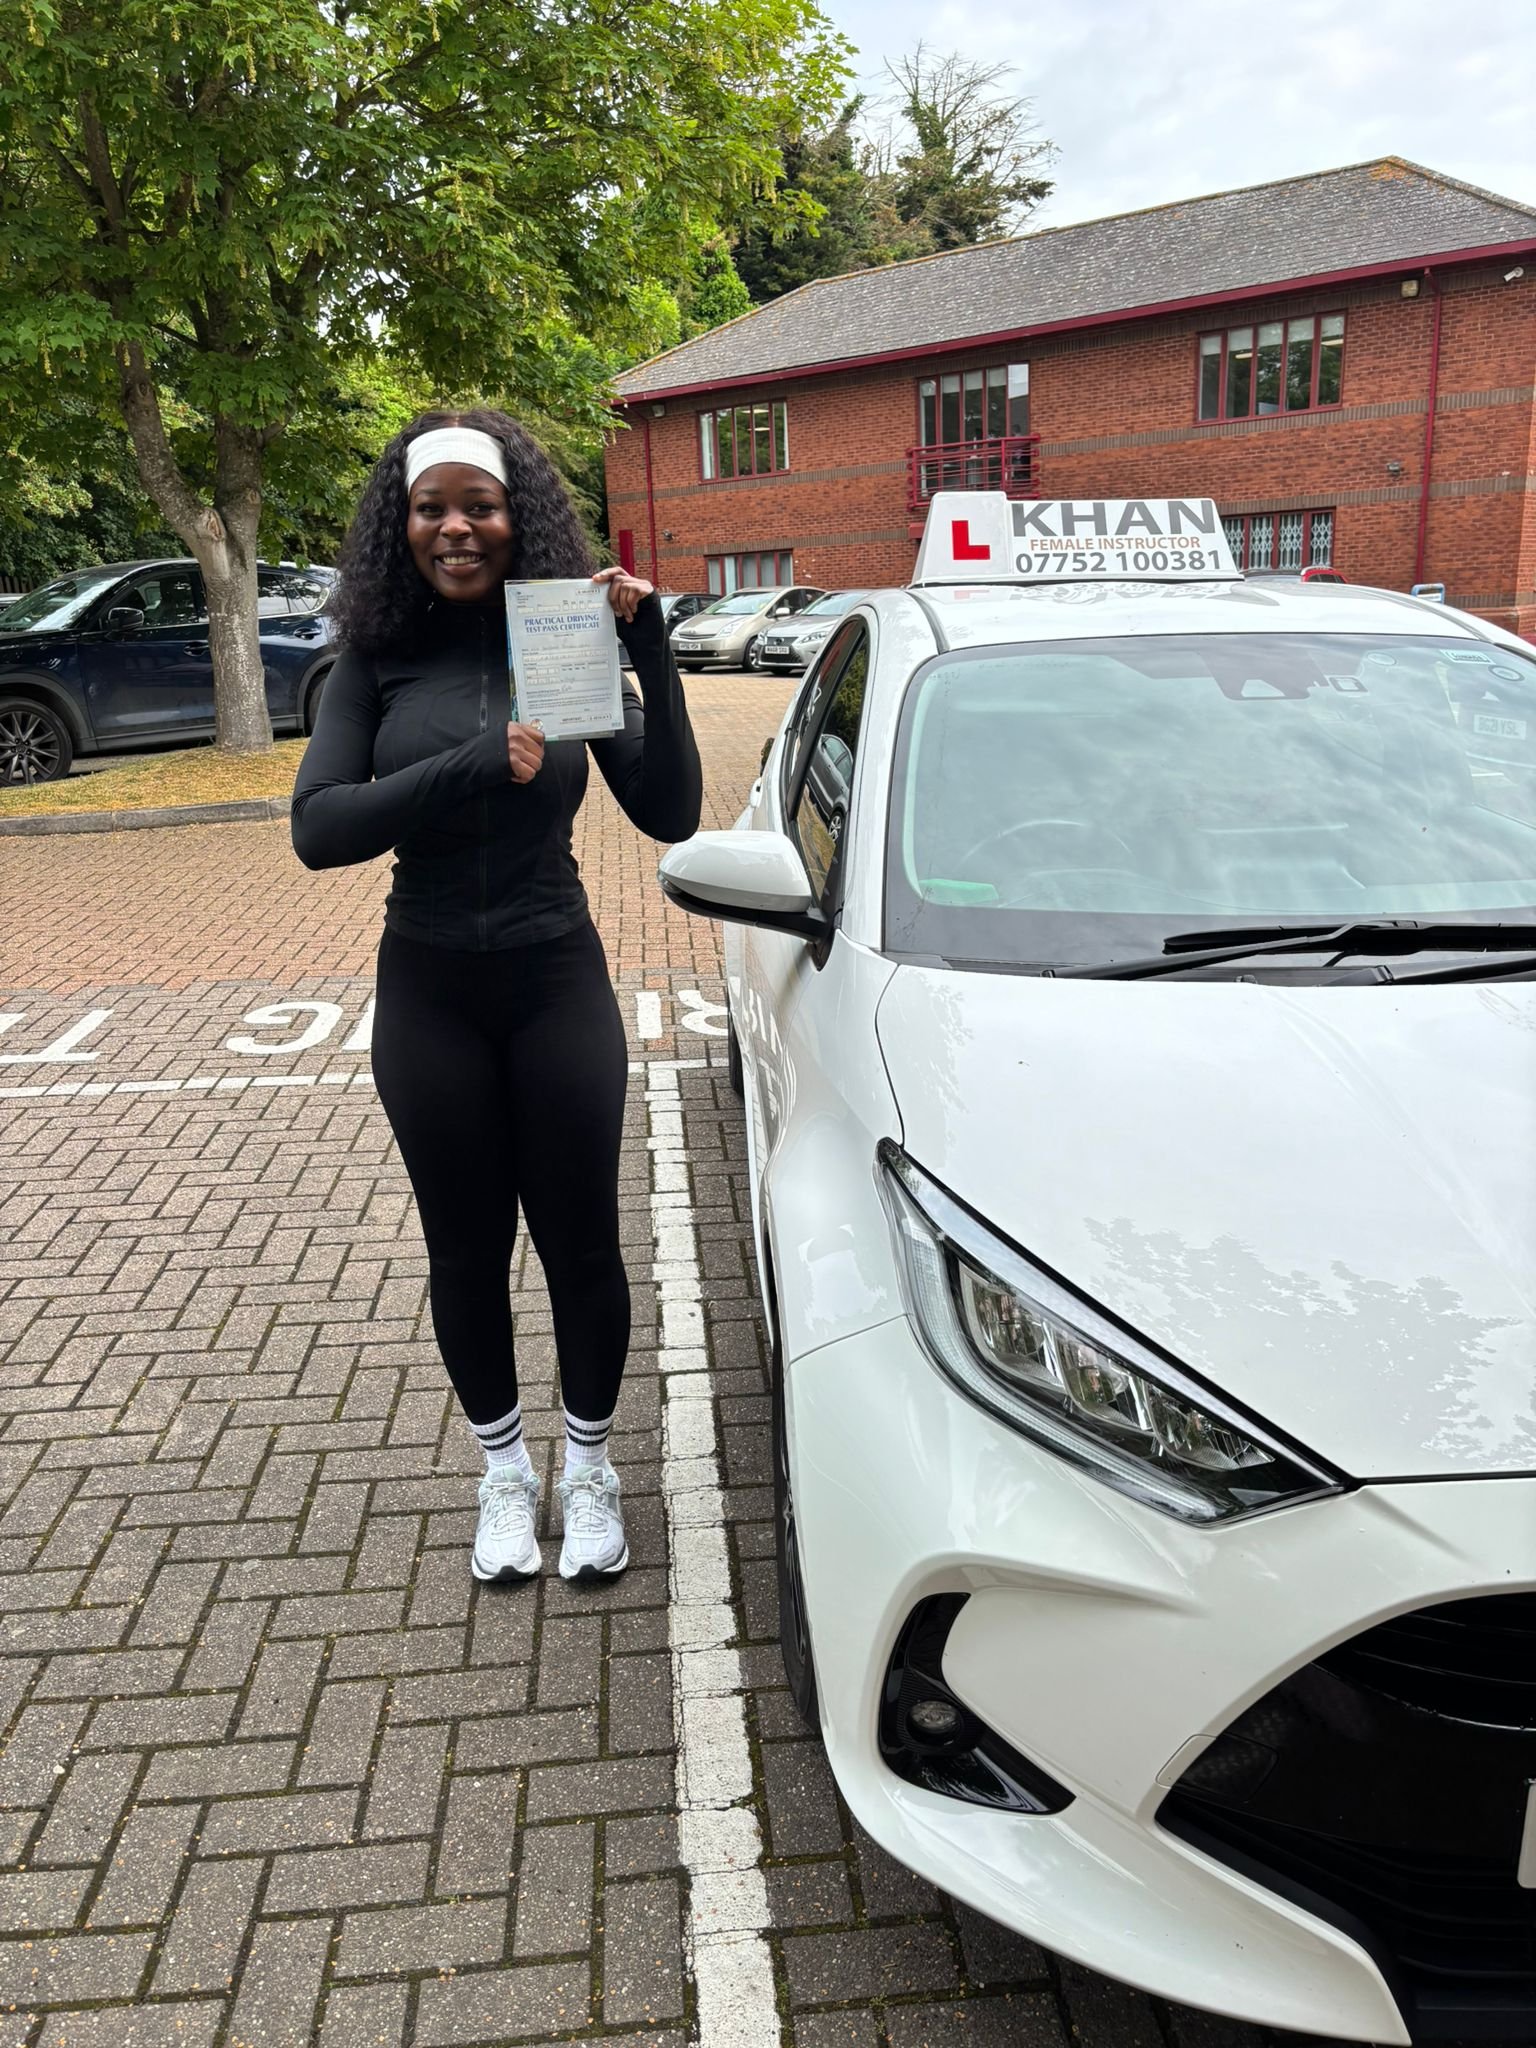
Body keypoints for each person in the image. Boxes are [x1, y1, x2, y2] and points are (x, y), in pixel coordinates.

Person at [290, 408, 702, 1585]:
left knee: (582, 1242)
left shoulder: (562, 633)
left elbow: (668, 809)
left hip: (551, 975)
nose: (458, 527)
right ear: (401, 524)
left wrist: (654, 647)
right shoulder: (375, 657)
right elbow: (320, 828)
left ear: (521, 513)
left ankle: (589, 1465)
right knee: (464, 1249)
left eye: (481, 503)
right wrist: (467, 763)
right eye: (432, 507)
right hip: (429, 990)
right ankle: (504, 1471)